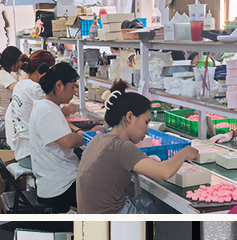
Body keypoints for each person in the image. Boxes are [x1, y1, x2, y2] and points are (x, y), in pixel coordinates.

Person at [76, 79, 199, 214]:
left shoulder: (99, 139)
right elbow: (163, 173)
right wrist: (185, 153)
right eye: (146, 122)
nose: (146, 130)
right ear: (129, 117)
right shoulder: (121, 146)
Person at [28, 63, 93, 213]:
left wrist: (80, 132)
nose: (74, 92)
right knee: (106, 191)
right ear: (59, 85)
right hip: (60, 187)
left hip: (58, 179)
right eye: (72, 87)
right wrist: (91, 134)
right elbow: (68, 142)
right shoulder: (46, 110)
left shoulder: (48, 107)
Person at [4, 49, 56, 170]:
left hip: (20, 151)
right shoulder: (35, 89)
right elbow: (55, 112)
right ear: (42, 70)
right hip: (31, 155)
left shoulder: (20, 85)